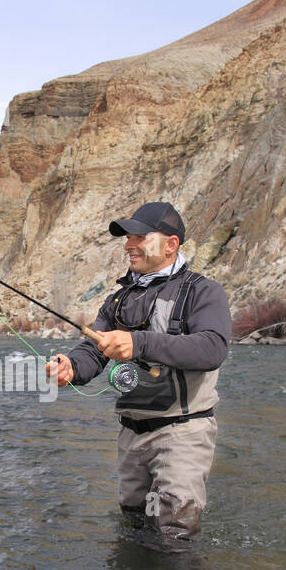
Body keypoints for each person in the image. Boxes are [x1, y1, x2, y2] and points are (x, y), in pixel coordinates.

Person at [46, 202, 232, 541]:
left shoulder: (204, 292)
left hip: (183, 432)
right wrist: (71, 367)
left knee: (176, 536)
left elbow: (212, 348)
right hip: (131, 436)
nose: (129, 245)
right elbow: (93, 349)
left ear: (171, 244)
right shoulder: (118, 300)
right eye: (128, 238)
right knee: (133, 529)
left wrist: (140, 343)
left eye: (140, 237)